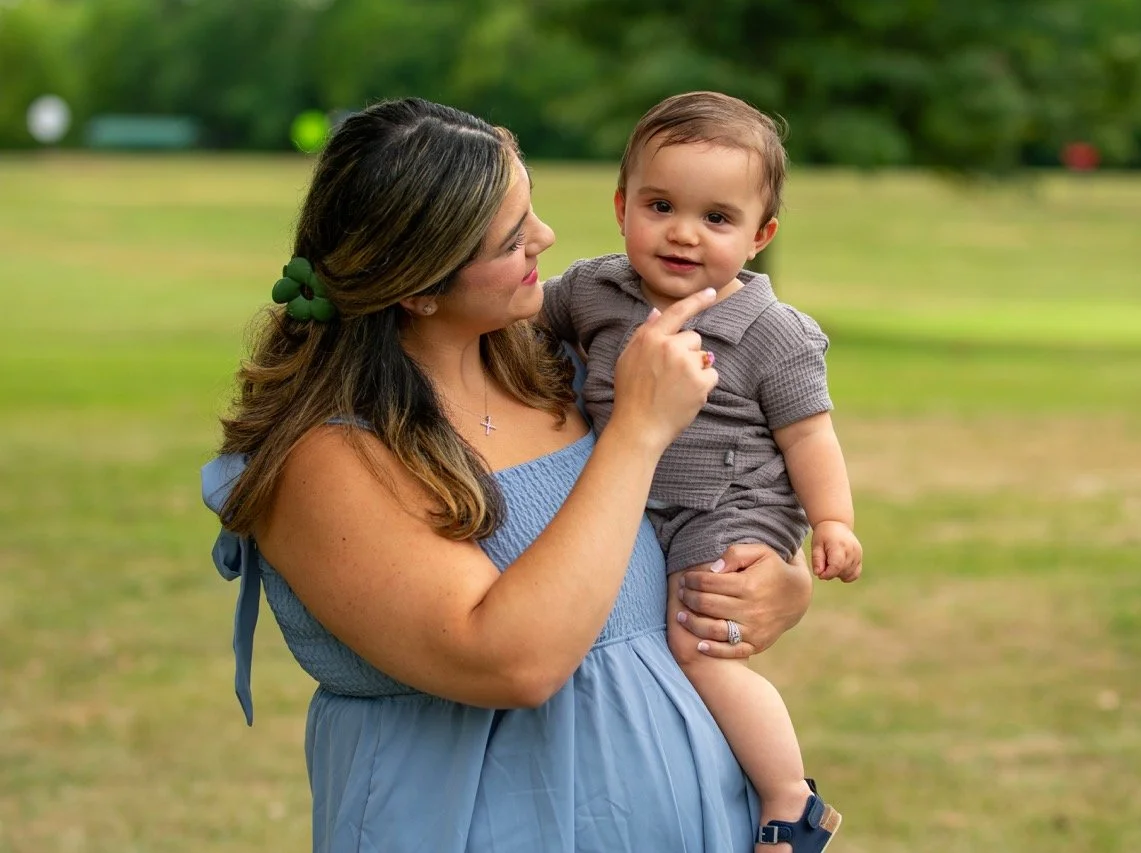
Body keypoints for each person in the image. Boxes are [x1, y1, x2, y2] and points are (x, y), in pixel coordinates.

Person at [199, 97, 819, 853]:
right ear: (419, 287)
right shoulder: (324, 460)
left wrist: (780, 582)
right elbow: (512, 662)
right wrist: (637, 431)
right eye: (512, 236)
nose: (545, 238)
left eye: (532, 211)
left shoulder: (563, 368)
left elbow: (711, 493)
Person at [539, 91, 863, 852]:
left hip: (727, 505)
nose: (683, 233)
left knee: (698, 644)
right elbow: (522, 324)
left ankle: (789, 797)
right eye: (660, 206)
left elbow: (810, 435)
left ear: (760, 235)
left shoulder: (773, 332)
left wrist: (833, 520)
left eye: (717, 218)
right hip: (635, 496)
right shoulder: (591, 290)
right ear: (621, 206)